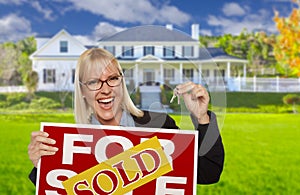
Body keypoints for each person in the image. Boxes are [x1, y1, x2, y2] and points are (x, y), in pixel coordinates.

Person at [28, 48, 224, 185]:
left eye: (112, 79)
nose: (105, 90)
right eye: (94, 82)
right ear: (83, 91)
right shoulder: (69, 145)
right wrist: (42, 167)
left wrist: (202, 118)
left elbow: (209, 172)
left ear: (121, 83)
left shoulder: (160, 126)